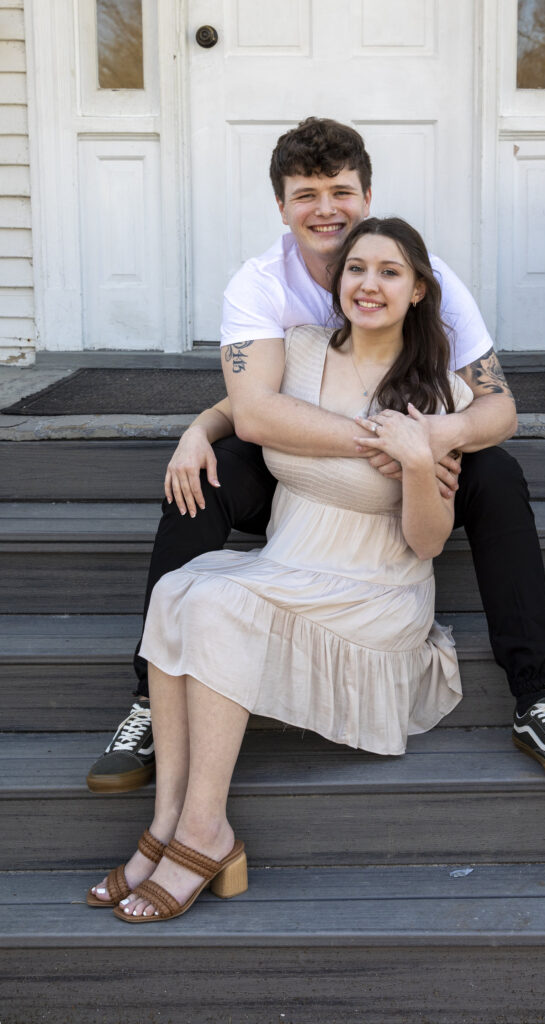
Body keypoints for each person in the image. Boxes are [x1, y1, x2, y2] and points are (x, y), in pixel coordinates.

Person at [86, 117, 545, 798]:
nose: (325, 208)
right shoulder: (260, 286)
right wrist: (372, 438)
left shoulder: (427, 275)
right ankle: (150, 702)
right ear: (281, 207)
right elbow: (255, 409)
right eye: (305, 194)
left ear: (366, 194)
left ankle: (535, 696)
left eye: (340, 190)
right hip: (305, 466)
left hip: (414, 456)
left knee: (498, 474)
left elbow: (497, 408)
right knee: (203, 476)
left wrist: (432, 442)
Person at [89, 216, 474, 920]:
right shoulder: (298, 350)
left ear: (418, 290)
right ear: (337, 281)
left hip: (375, 587)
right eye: (356, 268)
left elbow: (427, 541)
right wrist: (194, 432)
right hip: (291, 561)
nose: (369, 284)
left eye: (390, 272)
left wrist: (419, 460)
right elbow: (237, 406)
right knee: (177, 587)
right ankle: (169, 822)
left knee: (213, 601)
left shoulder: (437, 395)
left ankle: (205, 829)